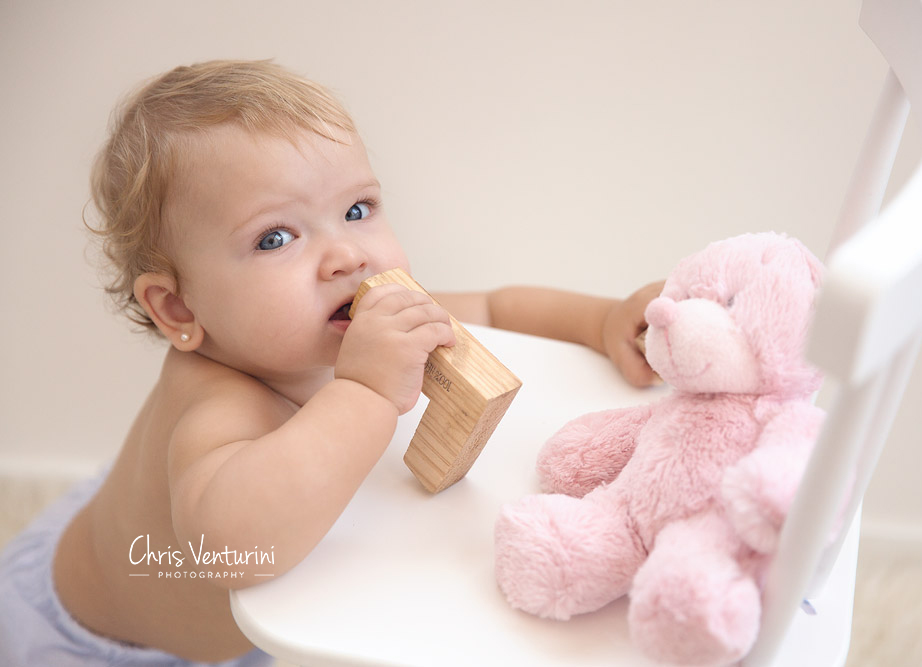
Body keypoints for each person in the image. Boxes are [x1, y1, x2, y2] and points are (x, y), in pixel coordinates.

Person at [0, 59, 662, 666]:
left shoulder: (350, 320)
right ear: (178, 309)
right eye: (276, 237)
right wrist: (368, 391)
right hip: (111, 641)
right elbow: (232, 549)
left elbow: (495, 303)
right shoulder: (220, 401)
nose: (347, 253)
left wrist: (600, 321)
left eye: (356, 209)